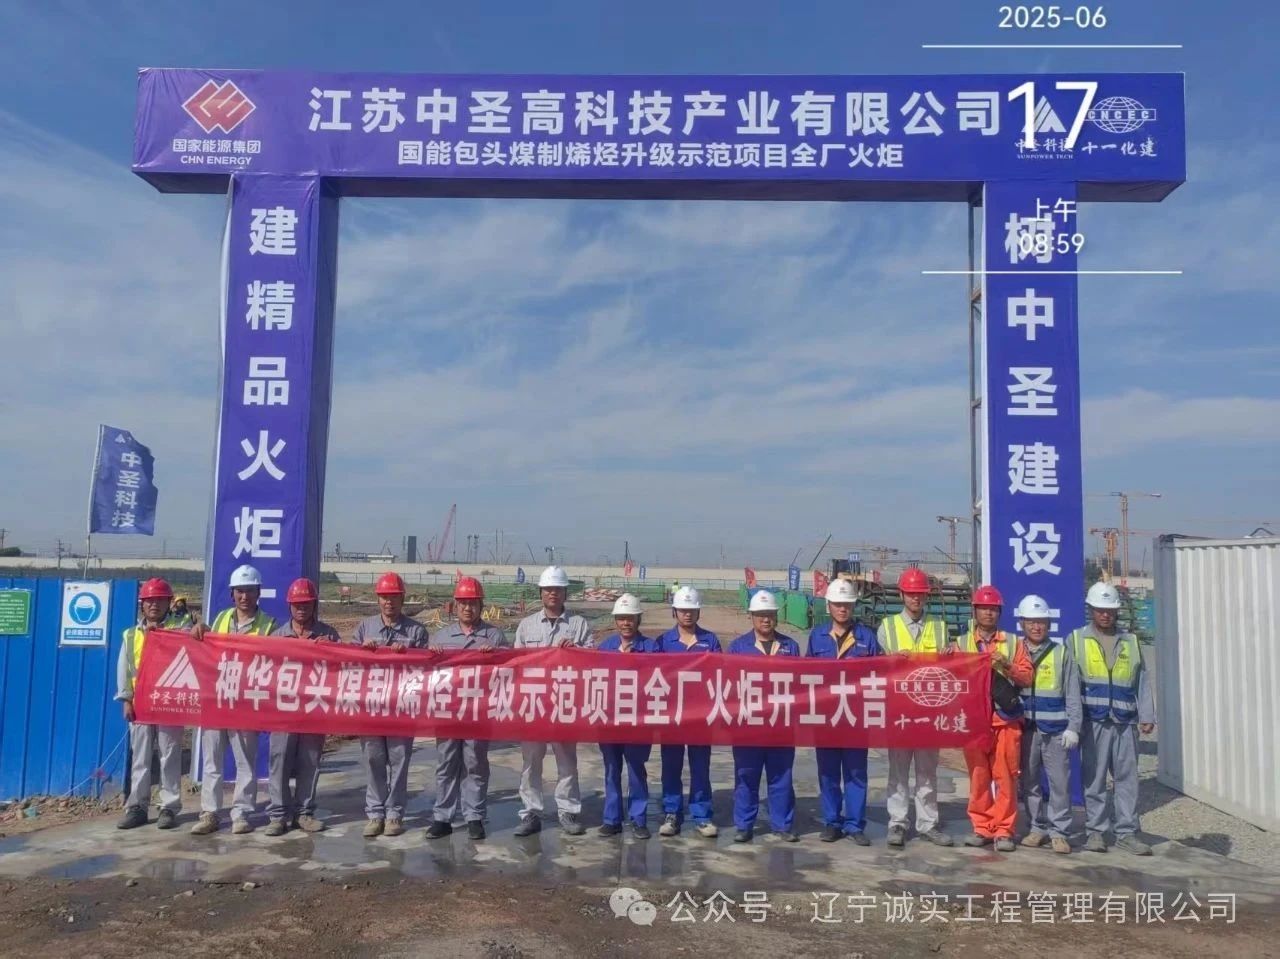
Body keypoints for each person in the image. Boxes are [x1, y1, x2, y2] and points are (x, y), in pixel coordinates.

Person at [190, 564, 277, 836]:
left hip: (245, 704)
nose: (244, 596)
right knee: (212, 761)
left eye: (250, 591)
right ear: (232, 594)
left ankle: (241, 813)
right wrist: (201, 629)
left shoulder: (269, 625)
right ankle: (210, 813)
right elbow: (207, 645)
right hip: (217, 699)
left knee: (245, 764)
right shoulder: (221, 619)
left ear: (258, 593)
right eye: (240, 591)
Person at [1071, 581, 1157, 855]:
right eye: (1100, 609)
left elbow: (1142, 680)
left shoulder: (1131, 641)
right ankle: (1096, 832)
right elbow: (1071, 684)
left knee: (1127, 779)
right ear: (1091, 609)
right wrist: (1074, 722)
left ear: (1117, 611)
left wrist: (1147, 714)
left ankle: (1126, 832)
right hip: (1092, 721)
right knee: (1094, 779)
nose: (1105, 614)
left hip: (1125, 721)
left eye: (1110, 610)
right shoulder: (1076, 640)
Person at [513, 565, 594, 836]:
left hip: (564, 703)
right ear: (541, 592)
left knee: (567, 761)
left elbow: (592, 662)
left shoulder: (579, 625)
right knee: (531, 762)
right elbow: (515, 664)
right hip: (533, 704)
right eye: (548, 589)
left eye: (557, 589)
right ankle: (530, 813)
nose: (552, 594)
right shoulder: (526, 626)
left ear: (565, 593)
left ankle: (568, 811)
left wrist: (577, 651)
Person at [877, 567, 954, 848]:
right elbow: (877, 668)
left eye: (920, 594)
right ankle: (897, 823)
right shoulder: (887, 628)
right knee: (898, 772)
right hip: (899, 711)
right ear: (901, 595)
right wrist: (891, 660)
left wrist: (950, 654)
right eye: (911, 594)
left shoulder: (939, 627)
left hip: (929, 712)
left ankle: (928, 824)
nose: (915, 599)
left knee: (927, 772)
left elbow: (949, 669)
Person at [425, 576, 506, 841]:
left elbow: (510, 669)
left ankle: (474, 816)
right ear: (455, 605)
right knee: (447, 762)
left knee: (475, 763)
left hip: (478, 712)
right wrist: (431, 654)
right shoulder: (442, 637)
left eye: (473, 603)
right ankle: (443, 817)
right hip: (448, 711)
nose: (467, 608)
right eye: (463, 603)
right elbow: (426, 672)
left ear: (481, 605)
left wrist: (497, 655)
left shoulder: (494, 636)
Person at [352, 571, 428, 838]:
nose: (389, 602)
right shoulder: (364, 629)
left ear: (402, 599)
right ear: (378, 599)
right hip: (371, 706)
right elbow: (347, 663)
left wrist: (408, 655)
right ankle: (375, 813)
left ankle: (394, 813)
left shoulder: (416, 631)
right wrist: (363, 650)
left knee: (399, 759)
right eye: (384, 597)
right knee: (373, 758)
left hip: (401, 707)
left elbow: (426, 668)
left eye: (394, 597)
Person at [960, 585, 1033, 852]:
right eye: (983, 608)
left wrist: (1006, 664)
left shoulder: (1013, 643)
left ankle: (1003, 830)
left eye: (993, 609)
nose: (988, 613)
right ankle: (982, 827)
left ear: (999, 612)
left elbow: (1027, 677)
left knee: (1006, 777)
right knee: (978, 776)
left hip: (1005, 720)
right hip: (974, 721)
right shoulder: (961, 643)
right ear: (975, 611)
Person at [264, 577, 340, 836]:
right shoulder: (277, 637)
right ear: (289, 605)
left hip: (314, 710)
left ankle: (304, 813)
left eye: (306, 603)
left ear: (314, 604)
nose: (302, 608)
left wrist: (331, 650)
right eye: (297, 604)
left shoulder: (329, 635)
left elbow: (343, 670)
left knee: (310, 761)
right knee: (279, 761)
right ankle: (278, 815)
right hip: (284, 712)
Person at [807, 577, 879, 845]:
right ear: (828, 606)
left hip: (855, 717)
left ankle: (855, 825)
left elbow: (882, 674)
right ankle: (832, 822)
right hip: (826, 718)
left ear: (853, 606)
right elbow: (806, 676)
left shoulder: (867, 637)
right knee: (827, 773)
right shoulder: (817, 637)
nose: (842, 609)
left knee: (856, 773)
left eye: (846, 604)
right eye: (837, 604)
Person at [115, 577, 191, 830]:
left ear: (169, 603)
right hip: (141, 704)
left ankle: (168, 807)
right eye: (149, 601)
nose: (154, 605)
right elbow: (125, 669)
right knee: (141, 757)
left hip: (169, 702)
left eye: (159, 600)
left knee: (170, 755)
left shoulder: (179, 632)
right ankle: (137, 807)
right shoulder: (130, 635)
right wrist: (126, 699)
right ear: (142, 604)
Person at [728, 590, 800, 843]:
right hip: (748, 726)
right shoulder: (738, 648)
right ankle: (744, 825)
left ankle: (782, 824)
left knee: (781, 776)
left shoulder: (790, 646)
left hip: (781, 725)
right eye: (760, 615)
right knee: (746, 776)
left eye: (770, 614)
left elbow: (800, 684)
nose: (765, 619)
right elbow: (730, 686)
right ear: (751, 617)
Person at [652, 585, 721, 839]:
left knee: (700, 766)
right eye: (682, 610)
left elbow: (720, 674)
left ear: (698, 612)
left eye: (692, 610)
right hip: (672, 715)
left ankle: (702, 815)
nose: (687, 614)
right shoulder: (663, 642)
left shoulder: (710, 640)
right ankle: (672, 813)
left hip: (700, 716)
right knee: (671, 766)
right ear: (675, 612)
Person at [1016, 594, 1082, 855]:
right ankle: (1036, 828)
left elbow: (1073, 693)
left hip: (1055, 730)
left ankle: (1059, 832)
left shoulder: (1062, 653)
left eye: (1041, 622)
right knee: (1029, 782)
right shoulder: (1015, 652)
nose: (1036, 627)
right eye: (1031, 622)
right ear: (1022, 623)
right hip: (1026, 729)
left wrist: (1073, 727)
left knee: (1059, 783)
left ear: (1048, 624)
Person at [596, 594, 655, 839]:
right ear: (616, 621)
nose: (626, 623)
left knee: (636, 769)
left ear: (638, 619)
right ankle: (612, 819)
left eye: (630, 618)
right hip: (610, 720)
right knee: (611, 769)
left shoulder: (652, 648)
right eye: (621, 618)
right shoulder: (605, 647)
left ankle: (638, 819)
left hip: (638, 721)